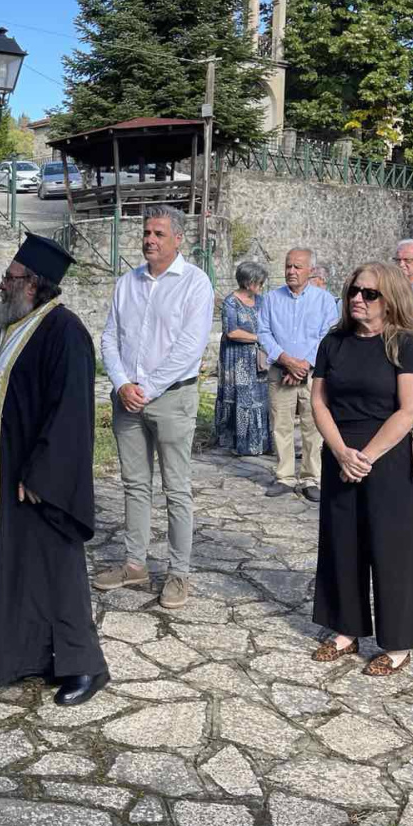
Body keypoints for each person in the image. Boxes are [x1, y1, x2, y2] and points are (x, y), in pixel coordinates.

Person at [0, 233, 109, 707]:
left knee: (56, 570)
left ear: (32, 283)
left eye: (8, 277)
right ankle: (19, 655)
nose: (1, 284)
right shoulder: (15, 327)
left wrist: (43, 473)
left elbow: (72, 410)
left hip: (36, 482)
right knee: (18, 571)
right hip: (1, 480)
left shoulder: (64, 330)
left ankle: (84, 665)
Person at [311, 262, 413, 676]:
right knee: (342, 543)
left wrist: (365, 457)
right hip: (340, 452)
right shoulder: (334, 342)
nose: (358, 298)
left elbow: (411, 410)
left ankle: (398, 644)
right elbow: (319, 401)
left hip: (390, 458)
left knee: (392, 550)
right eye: (353, 291)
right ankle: (347, 629)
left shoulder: (408, 344)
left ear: (390, 299)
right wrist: (342, 452)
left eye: (369, 293)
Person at [96, 206, 215, 610]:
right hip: (128, 398)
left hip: (171, 397)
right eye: (147, 232)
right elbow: (109, 337)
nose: (149, 239)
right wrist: (121, 384)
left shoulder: (195, 283)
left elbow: (189, 348)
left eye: (159, 233)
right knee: (134, 484)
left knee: (176, 488)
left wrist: (144, 389)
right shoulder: (127, 282)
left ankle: (179, 572)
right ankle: (135, 564)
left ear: (178, 239)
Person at [256, 248, 339, 502]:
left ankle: (311, 478)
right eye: (288, 266)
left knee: (313, 426)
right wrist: (286, 360)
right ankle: (285, 476)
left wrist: (304, 364)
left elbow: (329, 335)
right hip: (280, 371)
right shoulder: (271, 299)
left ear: (310, 271)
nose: (291, 271)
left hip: (314, 375)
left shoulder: (325, 300)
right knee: (280, 425)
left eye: (297, 267)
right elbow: (263, 332)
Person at [214, 261, 272, 457]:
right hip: (237, 358)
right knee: (242, 398)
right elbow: (231, 332)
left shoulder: (261, 300)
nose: (261, 286)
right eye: (259, 282)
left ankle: (261, 443)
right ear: (249, 282)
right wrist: (259, 338)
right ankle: (241, 443)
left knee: (260, 398)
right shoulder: (231, 302)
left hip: (258, 359)